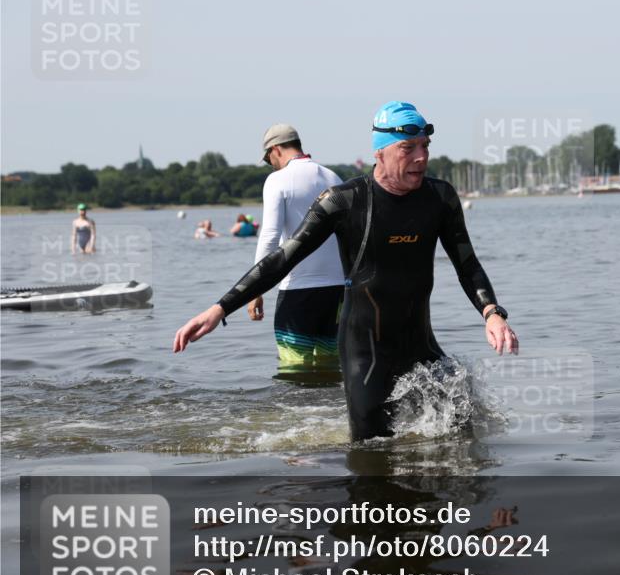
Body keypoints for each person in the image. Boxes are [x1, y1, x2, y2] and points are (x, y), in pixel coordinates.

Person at [174, 101, 518, 440]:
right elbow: (283, 258)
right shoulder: (345, 200)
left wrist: (492, 313)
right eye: (407, 148)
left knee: (465, 433)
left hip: (420, 346)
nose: (421, 157)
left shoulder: (439, 198)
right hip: (365, 354)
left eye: (425, 147)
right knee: (371, 452)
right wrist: (219, 309)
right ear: (379, 153)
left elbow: (466, 263)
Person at [249, 123, 346, 379]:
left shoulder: (277, 180)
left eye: (269, 158)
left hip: (299, 290)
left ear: (276, 149)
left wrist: (255, 290)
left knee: (294, 372)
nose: (271, 164)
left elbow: (269, 237)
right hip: (338, 291)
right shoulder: (333, 178)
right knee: (330, 369)